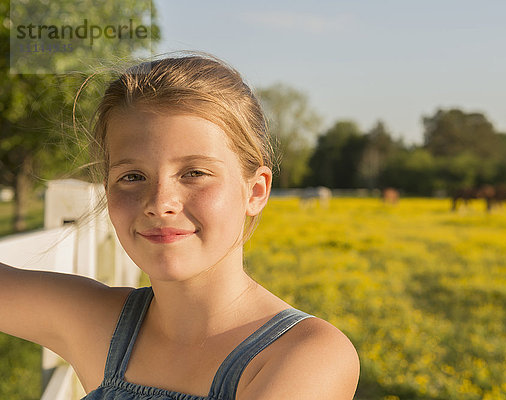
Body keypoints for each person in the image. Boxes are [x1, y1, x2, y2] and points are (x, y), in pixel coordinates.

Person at [0, 54, 360, 399]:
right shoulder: (90, 321)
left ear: (255, 190)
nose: (159, 203)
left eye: (194, 173)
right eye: (132, 176)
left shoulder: (305, 355)